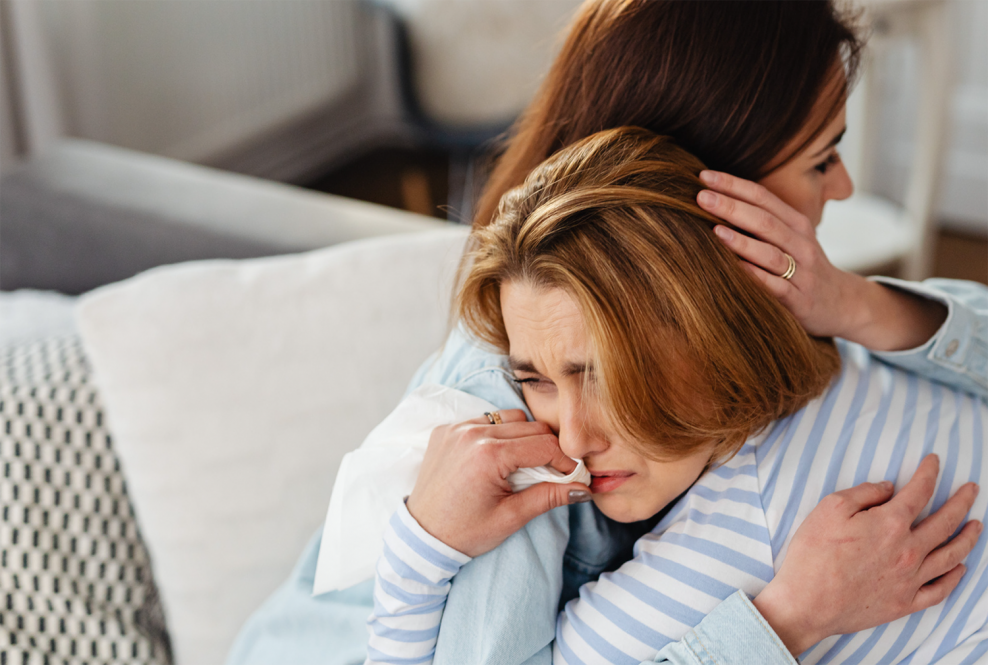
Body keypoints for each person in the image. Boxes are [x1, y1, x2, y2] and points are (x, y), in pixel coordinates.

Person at [225, 0, 988, 662]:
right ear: (708, 191)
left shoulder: (758, 307)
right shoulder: (514, 409)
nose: (844, 186)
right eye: (821, 159)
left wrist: (854, 303)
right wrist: (789, 619)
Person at [368, 127, 988, 665]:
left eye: (606, 375)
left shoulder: (726, 549)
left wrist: (416, 554)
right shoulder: (874, 357)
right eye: (536, 380)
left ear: (710, 336)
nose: (574, 438)